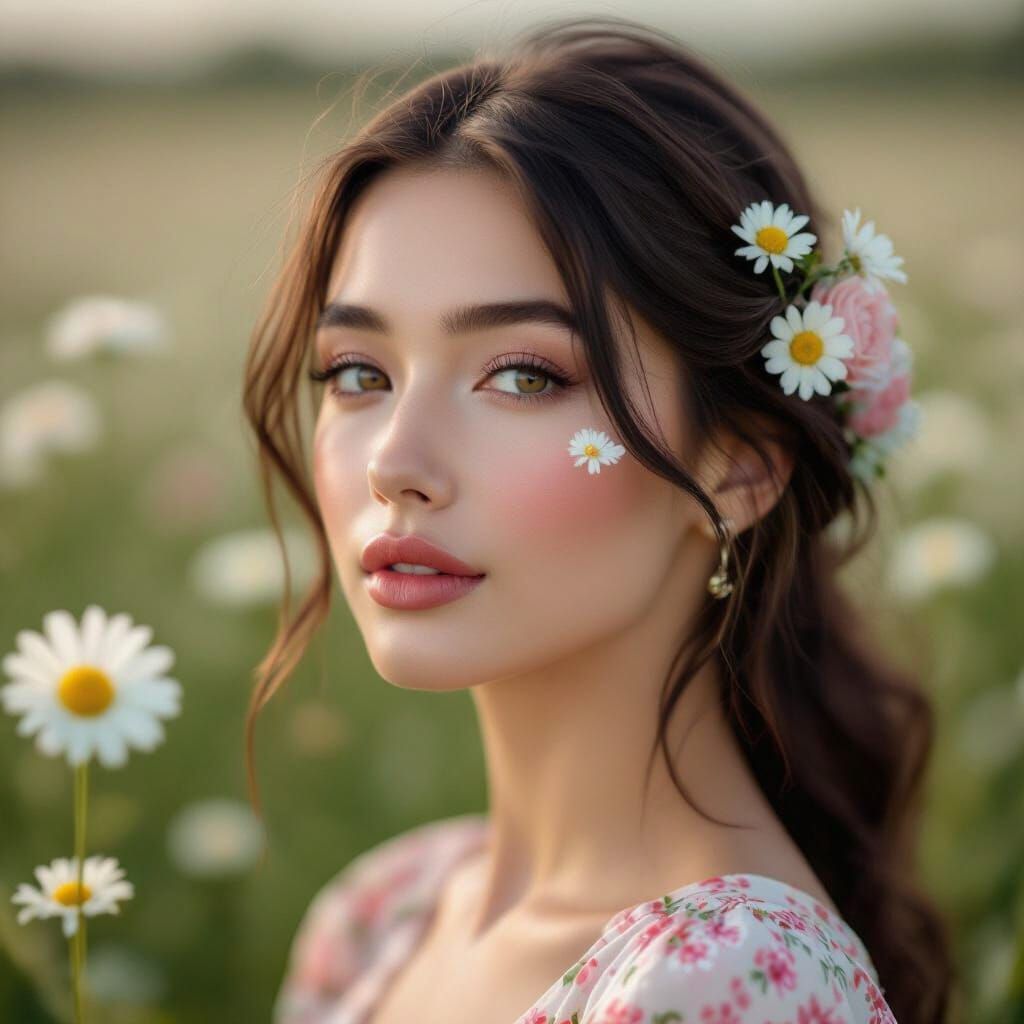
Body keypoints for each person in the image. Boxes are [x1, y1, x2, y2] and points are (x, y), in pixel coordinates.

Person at [241, 16, 954, 1024]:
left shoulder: (727, 980)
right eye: (358, 373)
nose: (395, 464)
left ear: (741, 465)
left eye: (524, 374)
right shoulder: (382, 914)